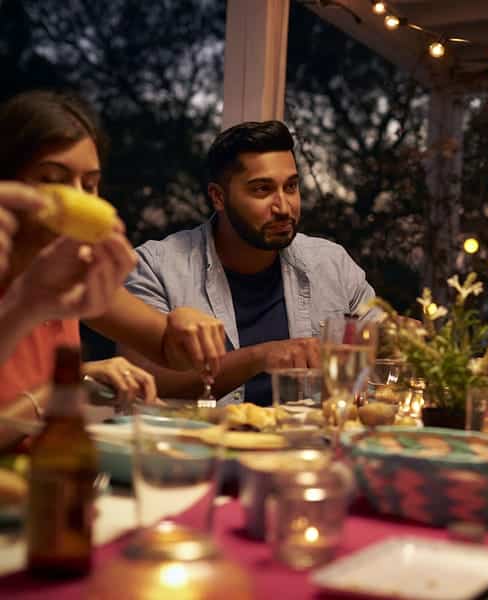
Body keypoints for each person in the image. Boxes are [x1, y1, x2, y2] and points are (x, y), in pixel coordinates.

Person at [0, 90, 226, 435]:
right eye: (51, 179)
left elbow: (167, 347)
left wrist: (181, 325)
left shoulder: (71, 274)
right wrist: (66, 385)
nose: (78, 197)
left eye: (89, 184)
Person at [122, 120, 375, 406]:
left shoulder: (332, 264)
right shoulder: (157, 267)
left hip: (308, 445)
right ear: (218, 197)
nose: (283, 207)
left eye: (291, 187)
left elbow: (378, 355)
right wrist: (260, 357)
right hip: (201, 446)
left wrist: (398, 336)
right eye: (262, 190)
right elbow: (146, 377)